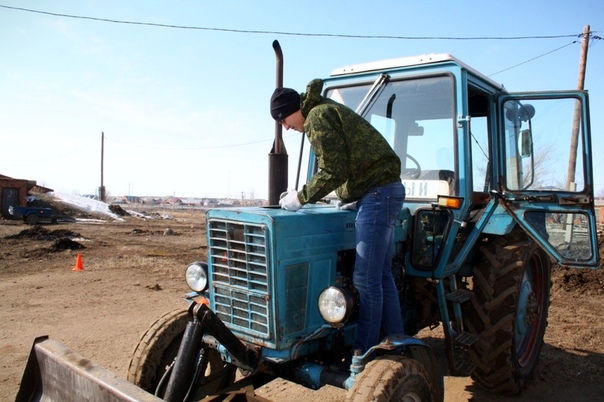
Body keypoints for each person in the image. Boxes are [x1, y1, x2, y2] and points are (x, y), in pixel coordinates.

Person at [270, 78, 406, 354]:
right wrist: (351, 197)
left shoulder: (317, 117)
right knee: (380, 276)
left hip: (377, 193)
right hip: (380, 191)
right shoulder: (323, 109)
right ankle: (397, 339)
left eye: (284, 119)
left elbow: (334, 170)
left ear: (294, 109)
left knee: (365, 280)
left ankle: (364, 351)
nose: (285, 126)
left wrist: (301, 197)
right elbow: (346, 164)